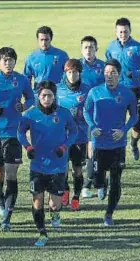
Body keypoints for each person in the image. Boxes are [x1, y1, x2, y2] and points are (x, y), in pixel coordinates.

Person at [0, 47, 34, 231]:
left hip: (14, 134)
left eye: (11, 61)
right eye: (5, 61)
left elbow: (31, 97)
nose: (8, 64)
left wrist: (24, 105)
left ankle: (7, 218)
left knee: (11, 175)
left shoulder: (21, 80)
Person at [18, 80, 78, 247]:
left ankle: (55, 214)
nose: (46, 98)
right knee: (37, 200)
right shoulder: (30, 115)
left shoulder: (64, 113)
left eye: (50, 95)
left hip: (58, 165)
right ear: (38, 96)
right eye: (43, 95)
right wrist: (28, 147)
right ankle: (42, 232)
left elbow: (74, 131)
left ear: (54, 96)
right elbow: (20, 132)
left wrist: (64, 147)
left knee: (55, 203)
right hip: (37, 165)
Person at [83, 59, 138, 226]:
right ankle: (102, 183)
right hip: (100, 143)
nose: (109, 76)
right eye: (107, 73)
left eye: (113, 72)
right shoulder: (94, 92)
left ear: (119, 75)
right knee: (97, 180)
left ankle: (109, 214)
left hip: (117, 144)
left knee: (116, 180)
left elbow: (135, 116)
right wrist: (92, 127)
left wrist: (124, 129)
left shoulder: (128, 93)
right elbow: (86, 110)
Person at [105, 17, 140, 161]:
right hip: (116, 90)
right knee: (115, 122)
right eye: (120, 32)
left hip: (134, 89)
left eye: (125, 32)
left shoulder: (138, 48)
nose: (123, 34)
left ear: (130, 31)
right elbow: (107, 67)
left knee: (137, 124)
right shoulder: (111, 48)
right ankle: (118, 153)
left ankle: (134, 143)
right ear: (116, 31)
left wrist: (135, 73)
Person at [57, 59, 90, 210]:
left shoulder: (87, 91)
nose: (72, 75)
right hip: (61, 137)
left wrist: (82, 114)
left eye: (75, 72)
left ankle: (76, 196)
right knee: (62, 168)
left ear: (80, 73)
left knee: (77, 169)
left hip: (79, 136)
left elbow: (92, 113)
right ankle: (65, 190)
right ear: (65, 73)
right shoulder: (58, 90)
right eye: (69, 72)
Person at [79, 35, 105, 199]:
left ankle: (95, 184)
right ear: (81, 49)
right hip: (78, 115)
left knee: (95, 150)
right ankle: (89, 182)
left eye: (91, 47)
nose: (89, 50)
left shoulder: (103, 67)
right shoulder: (76, 67)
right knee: (81, 153)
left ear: (97, 49)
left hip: (97, 115)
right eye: (86, 47)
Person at [23, 26, 69, 98]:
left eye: (46, 39)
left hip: (57, 95)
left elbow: (69, 75)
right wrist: (29, 96)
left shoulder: (62, 55)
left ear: (51, 39)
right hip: (38, 95)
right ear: (37, 39)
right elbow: (26, 78)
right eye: (41, 40)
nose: (44, 43)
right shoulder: (32, 57)